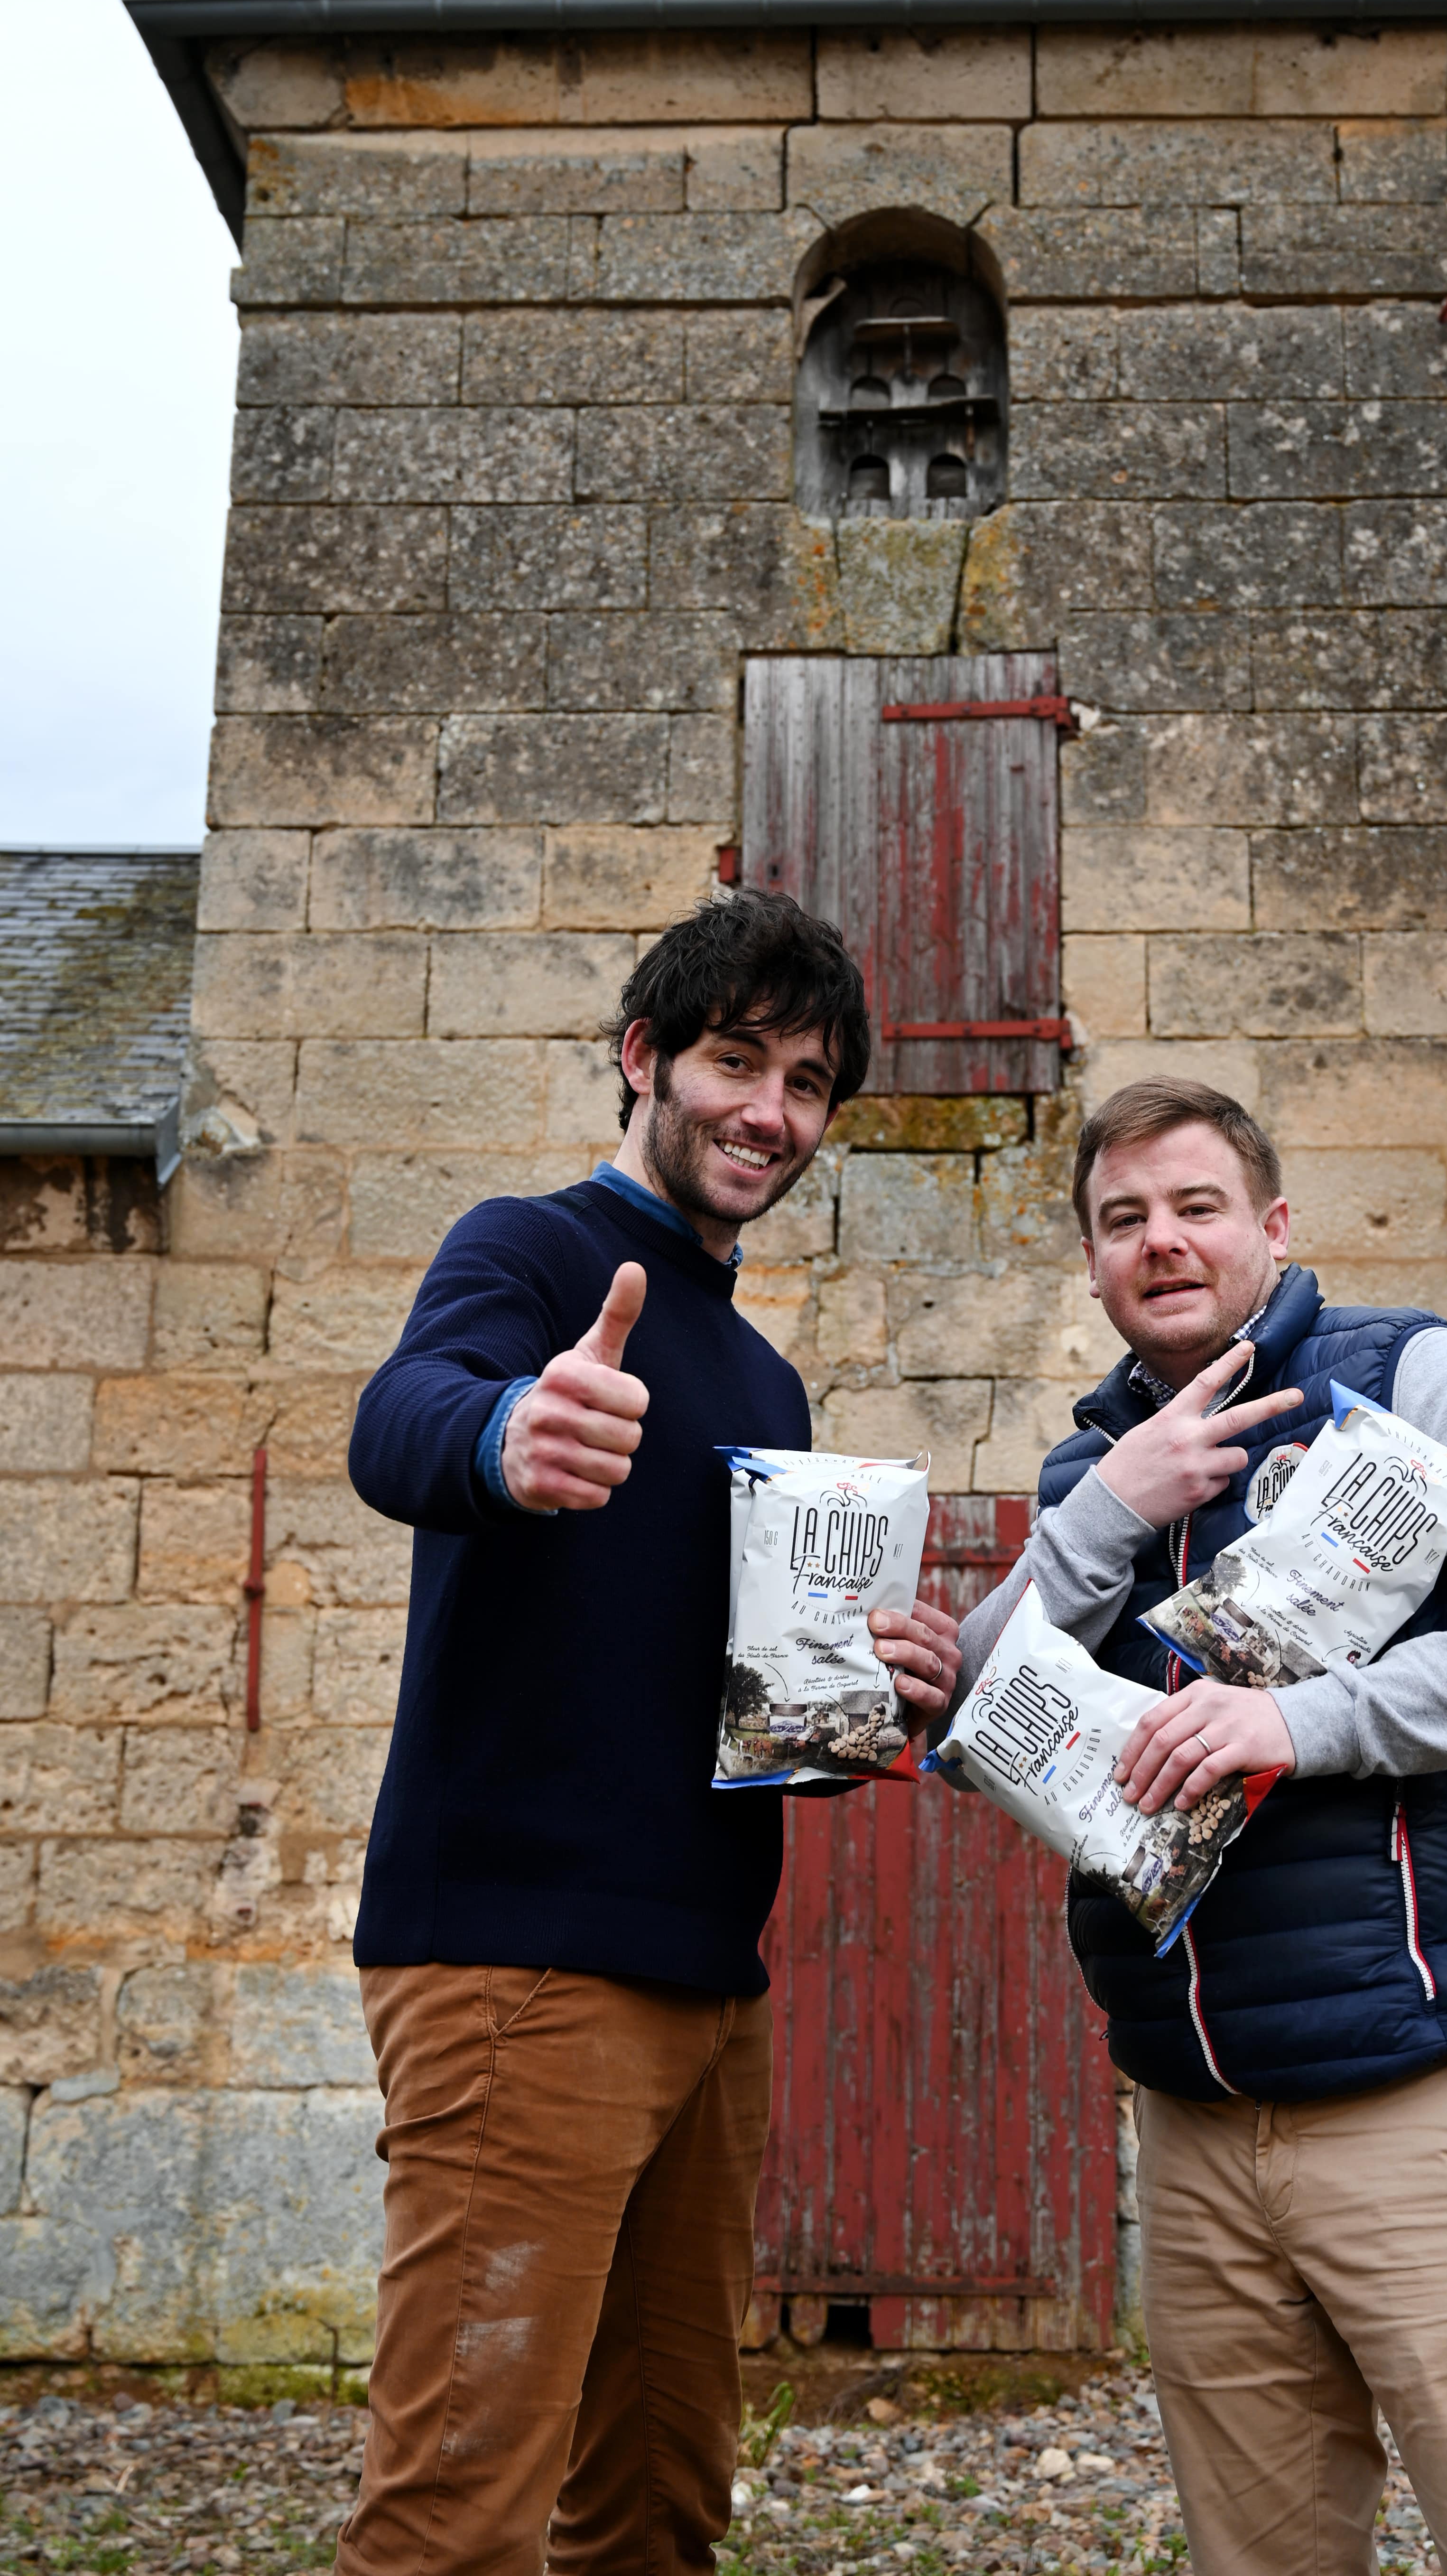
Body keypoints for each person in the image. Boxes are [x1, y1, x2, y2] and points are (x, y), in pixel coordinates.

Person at [932, 1076, 1447, 2576]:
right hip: (1200, 2132)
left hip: (1438, 2109)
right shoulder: (1092, 1473)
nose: (1162, 1241)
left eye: (1197, 1207)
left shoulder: (1407, 1377)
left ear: (1273, 1227)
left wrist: (1301, 1721)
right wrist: (1100, 1520)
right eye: (1123, 1219)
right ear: (1089, 1262)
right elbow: (974, 1727)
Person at [339, 890, 961, 2576]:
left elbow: (738, 1704)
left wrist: (871, 1684)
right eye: (733, 1058)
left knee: (664, 2502)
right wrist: (503, 1437)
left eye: (809, 1082)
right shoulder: (530, 1253)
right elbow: (401, 1421)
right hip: (517, 1965)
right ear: (643, 1058)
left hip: (707, 1983)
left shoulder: (766, 1388)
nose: (768, 1110)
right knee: (457, 2509)